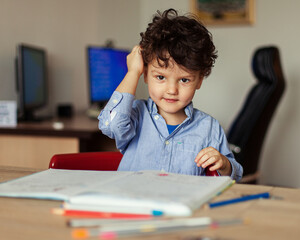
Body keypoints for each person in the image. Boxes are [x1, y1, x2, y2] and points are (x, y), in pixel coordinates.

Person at [98, 8, 243, 181]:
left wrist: (225, 164)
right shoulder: (136, 114)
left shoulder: (209, 127)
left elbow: (236, 174)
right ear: (145, 74)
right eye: (160, 77)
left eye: (184, 80)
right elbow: (110, 124)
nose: (172, 90)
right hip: (134, 204)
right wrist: (132, 72)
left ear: (199, 81)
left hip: (183, 206)